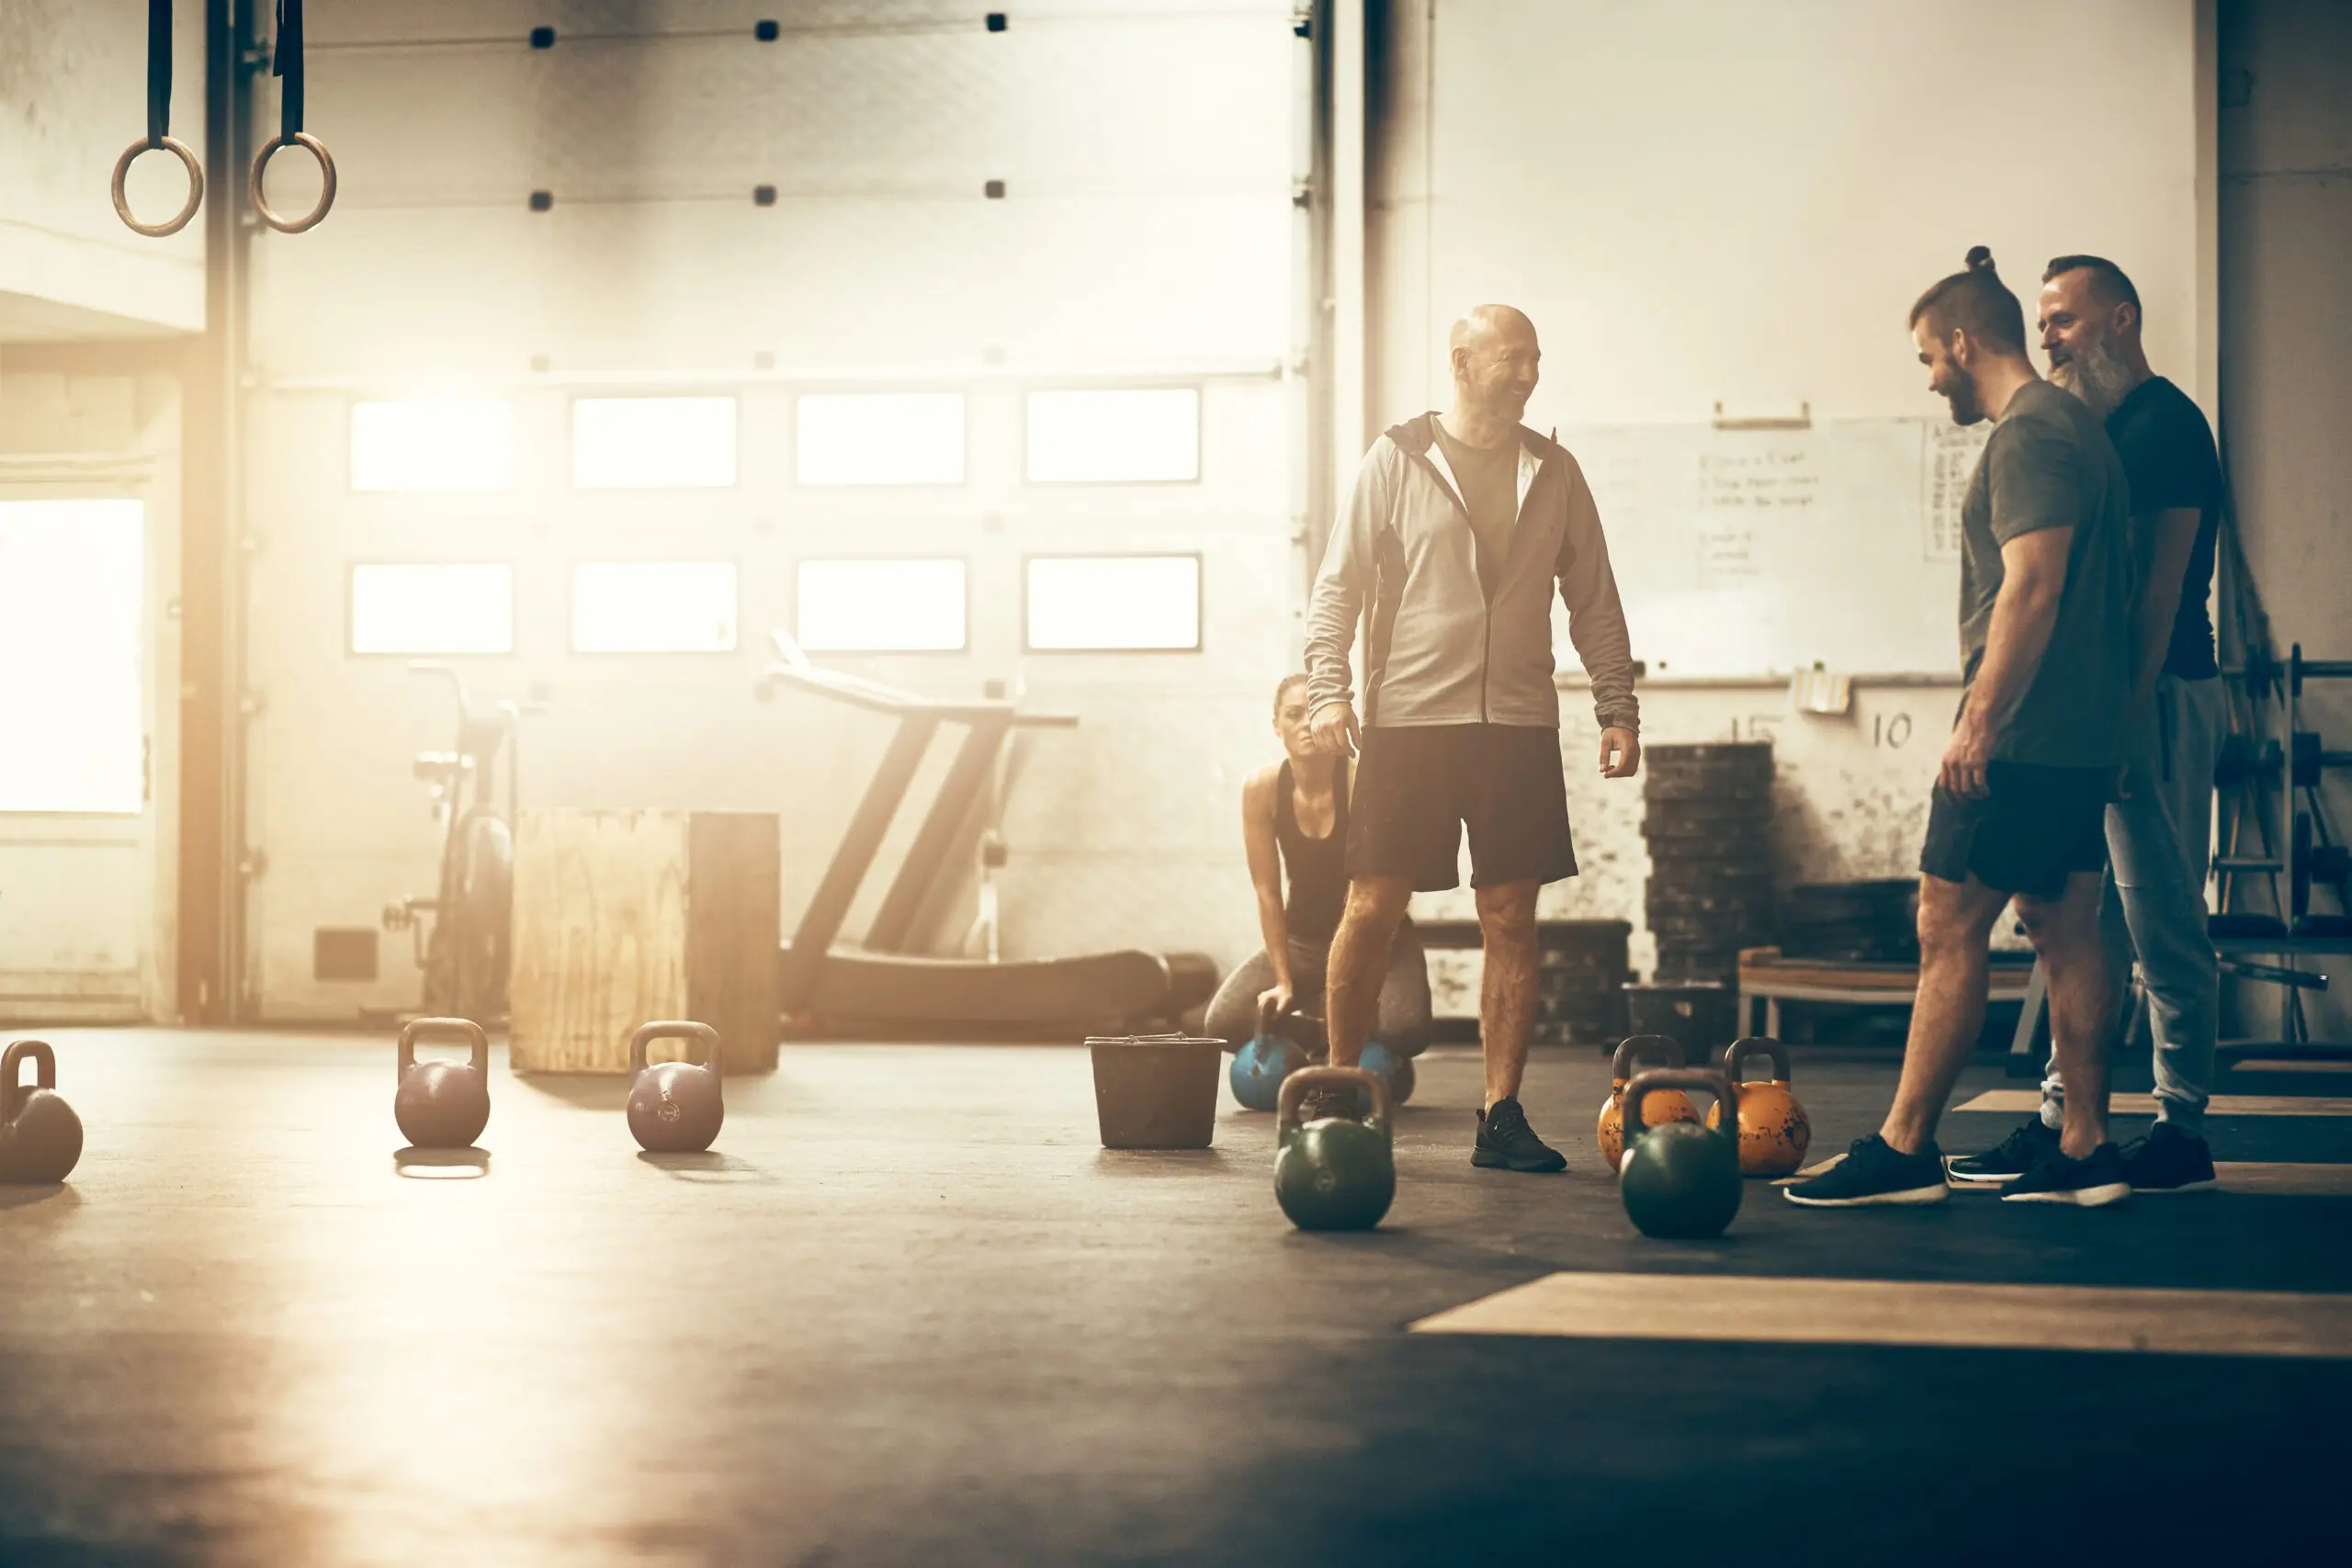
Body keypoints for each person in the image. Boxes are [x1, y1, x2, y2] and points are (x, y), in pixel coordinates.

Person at [1789, 246, 2137, 1209]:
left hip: (2019, 736)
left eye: (1927, 360)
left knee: (1946, 923)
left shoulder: (2027, 435)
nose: (1931, 380)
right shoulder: (2078, 428)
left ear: (1958, 340)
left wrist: (1976, 723)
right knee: (2066, 929)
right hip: (2072, 736)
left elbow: (2033, 586)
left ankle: (1905, 1150)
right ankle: (2086, 1148)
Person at [1300, 303, 1641, 1173]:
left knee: (1511, 920)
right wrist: (1330, 691)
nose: (1529, 373)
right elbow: (1337, 585)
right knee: (1372, 908)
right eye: (1513, 358)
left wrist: (1617, 707)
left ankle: (1501, 1113)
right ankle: (1341, 1092)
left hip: (1517, 724)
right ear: (1462, 361)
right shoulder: (1397, 459)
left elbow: (1594, 598)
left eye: (1536, 357)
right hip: (1409, 718)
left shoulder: (1554, 470)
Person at [1948, 255, 2227, 1193]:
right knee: (2070, 920)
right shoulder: (2087, 429)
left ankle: (2182, 1126)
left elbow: (2157, 594)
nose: (2049, 338)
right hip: (2094, 710)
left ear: (2120, 318)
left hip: (2156, 694)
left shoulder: (2166, 428)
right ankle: (2064, 1118)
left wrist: (2120, 718)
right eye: (2042, 322)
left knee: (2161, 916)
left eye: (2064, 320)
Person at [1203, 675, 1432, 1058]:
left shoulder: (1363, 783)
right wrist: (1283, 980)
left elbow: (1386, 887)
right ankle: (1325, 1036)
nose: (1306, 724)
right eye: (1294, 715)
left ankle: (1353, 1030)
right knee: (1225, 1022)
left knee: (1405, 1030)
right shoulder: (1261, 789)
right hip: (1303, 944)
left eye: (1315, 713)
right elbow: (1267, 893)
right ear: (1277, 726)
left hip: (1380, 940)